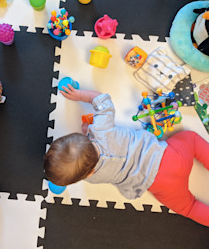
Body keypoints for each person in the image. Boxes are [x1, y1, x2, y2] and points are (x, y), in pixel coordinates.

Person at [44, 84, 209, 226]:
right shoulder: (100, 129)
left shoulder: (93, 177)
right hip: (171, 158)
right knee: (191, 139)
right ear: (82, 138)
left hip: (162, 186)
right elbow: (103, 99)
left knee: (189, 207)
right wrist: (79, 95)